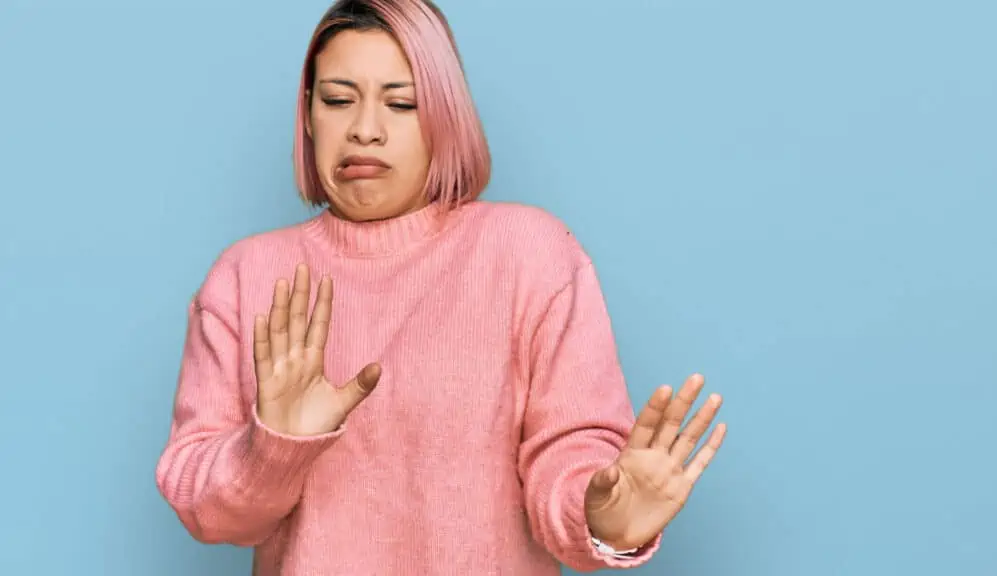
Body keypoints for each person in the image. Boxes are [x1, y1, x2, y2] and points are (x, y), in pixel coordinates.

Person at [154, 0, 727, 574]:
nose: (365, 130)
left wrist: (603, 520)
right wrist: (272, 447)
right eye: (337, 99)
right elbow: (206, 510)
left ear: (445, 115)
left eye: (401, 103)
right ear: (307, 114)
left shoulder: (529, 253)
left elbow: (570, 454)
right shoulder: (244, 276)